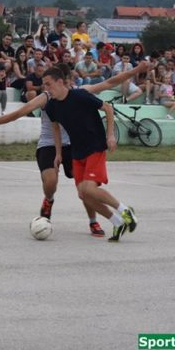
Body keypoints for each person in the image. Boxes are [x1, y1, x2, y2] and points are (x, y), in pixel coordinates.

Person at [41, 66, 138, 242]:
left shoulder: (80, 95)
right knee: (83, 194)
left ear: (60, 82)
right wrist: (58, 153)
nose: (46, 89)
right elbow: (55, 128)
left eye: (48, 84)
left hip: (95, 146)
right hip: (77, 152)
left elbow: (108, 108)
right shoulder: (52, 106)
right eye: (44, 85)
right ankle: (117, 222)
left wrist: (110, 135)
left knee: (88, 188)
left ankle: (125, 211)